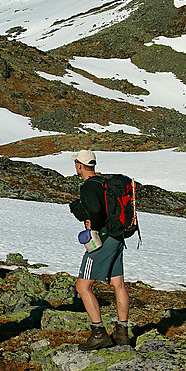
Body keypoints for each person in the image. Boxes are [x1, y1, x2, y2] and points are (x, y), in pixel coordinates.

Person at [68, 150, 131, 350]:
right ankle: (122, 331)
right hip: (118, 236)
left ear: (79, 165)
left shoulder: (88, 186)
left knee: (82, 286)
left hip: (102, 239)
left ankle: (99, 333)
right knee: (118, 283)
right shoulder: (104, 183)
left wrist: (89, 222)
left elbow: (95, 211)